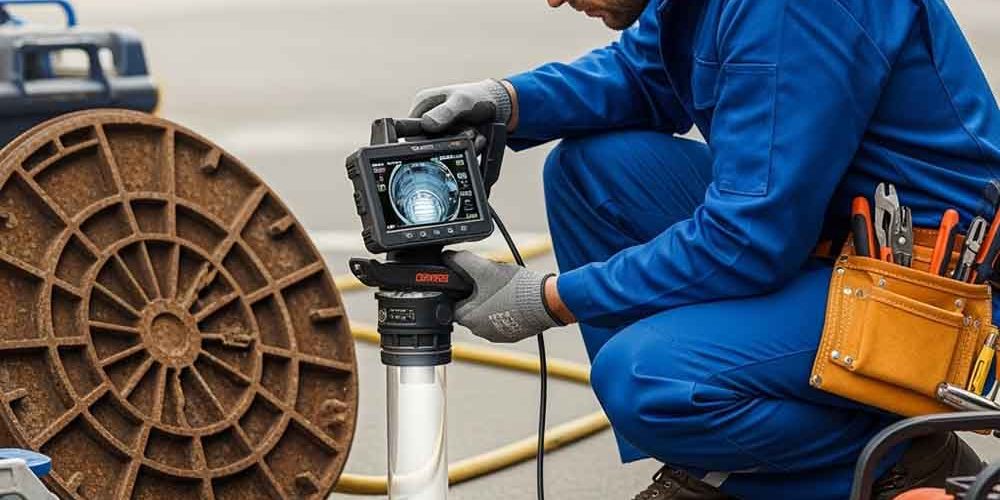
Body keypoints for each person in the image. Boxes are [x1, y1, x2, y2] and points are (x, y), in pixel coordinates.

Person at [407, 0, 1000, 498]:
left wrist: (548, 298)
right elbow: (644, 75)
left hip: (934, 297)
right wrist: (510, 102)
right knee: (594, 173)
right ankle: (714, 461)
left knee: (648, 379)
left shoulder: (789, 9)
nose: (556, 0)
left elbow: (746, 240)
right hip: (825, 242)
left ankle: (896, 458)